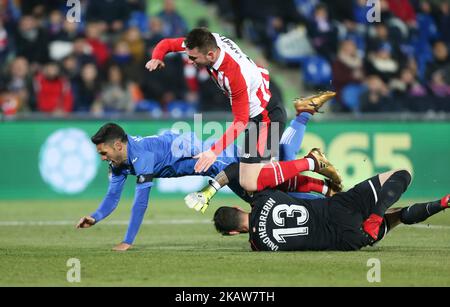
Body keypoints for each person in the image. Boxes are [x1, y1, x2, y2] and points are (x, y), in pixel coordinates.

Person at [145, 27, 337, 214]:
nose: (190, 60)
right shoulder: (207, 42)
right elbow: (168, 44)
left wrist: (213, 152)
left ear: (210, 55)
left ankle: (312, 162)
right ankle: (304, 118)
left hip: (266, 118)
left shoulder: (233, 74)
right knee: (259, 180)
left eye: (193, 58)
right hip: (258, 112)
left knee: (255, 183)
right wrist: (157, 56)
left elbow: (240, 121)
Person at [75, 117, 341, 251]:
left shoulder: (140, 157)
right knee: (276, 166)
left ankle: (318, 175)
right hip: (218, 158)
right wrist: (95, 217)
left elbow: (140, 203)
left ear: (118, 145)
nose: (102, 158)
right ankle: (300, 118)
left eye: (104, 152)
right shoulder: (120, 161)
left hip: (221, 163)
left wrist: (128, 241)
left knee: (269, 201)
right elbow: (113, 196)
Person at [213, 170, 450, 251]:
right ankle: (377, 214)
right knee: (401, 174)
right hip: (339, 208)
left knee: (397, 216)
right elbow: (292, 183)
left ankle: (439, 205)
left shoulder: (259, 246)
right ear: (236, 206)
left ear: (233, 233)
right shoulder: (263, 198)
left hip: (347, 238)